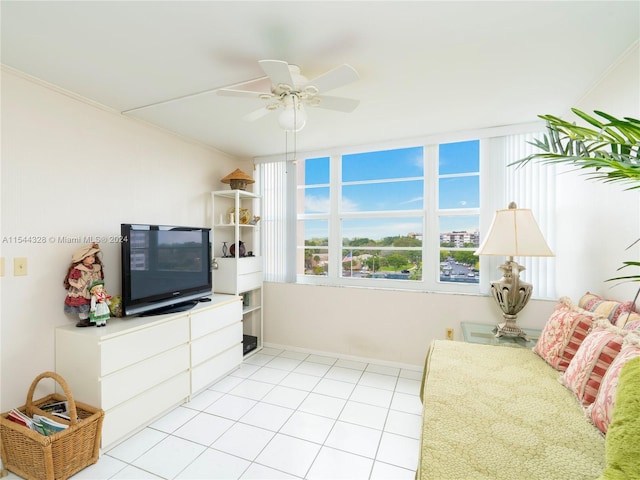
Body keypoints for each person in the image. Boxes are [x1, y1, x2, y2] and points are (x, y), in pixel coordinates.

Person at [63, 243, 104, 327]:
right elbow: (71, 280)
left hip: (94, 290)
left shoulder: (96, 268)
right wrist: (77, 286)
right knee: (83, 304)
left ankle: (92, 317)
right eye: (88, 257)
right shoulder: (78, 269)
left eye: (93, 256)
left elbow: (100, 278)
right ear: (82, 258)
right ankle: (84, 319)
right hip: (82, 290)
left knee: (93, 304)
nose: (92, 259)